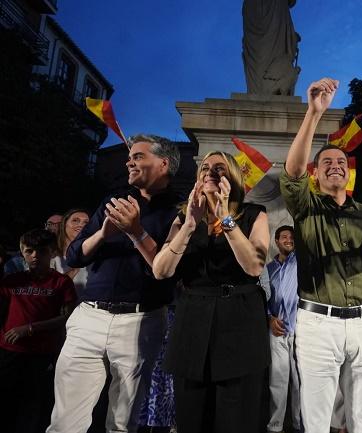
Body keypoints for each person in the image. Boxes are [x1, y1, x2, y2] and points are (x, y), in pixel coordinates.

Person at [47, 134, 181, 433]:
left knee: (123, 422)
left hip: (140, 321)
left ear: (163, 163)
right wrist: (102, 234)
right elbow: (73, 254)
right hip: (89, 317)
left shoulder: (180, 212)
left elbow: (167, 272)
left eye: (137, 156)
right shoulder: (113, 201)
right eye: (129, 156)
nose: (128, 161)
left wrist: (135, 231)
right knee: (65, 421)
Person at [280, 77, 362, 433]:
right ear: (316, 173)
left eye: (341, 162)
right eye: (326, 162)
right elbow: (293, 171)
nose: (335, 165)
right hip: (318, 323)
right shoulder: (304, 205)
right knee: (317, 417)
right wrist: (314, 113)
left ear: (348, 172)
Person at [152, 151, 270, 433]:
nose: (211, 172)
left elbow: (254, 266)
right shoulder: (184, 217)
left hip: (239, 322)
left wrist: (226, 218)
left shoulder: (254, 214)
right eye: (205, 167)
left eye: (220, 167)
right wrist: (189, 227)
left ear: (233, 177)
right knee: (192, 416)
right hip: (193, 323)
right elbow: (161, 270)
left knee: (236, 417)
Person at [0, 229, 76, 433]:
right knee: (7, 402)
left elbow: (68, 317)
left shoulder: (62, 282)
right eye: (29, 251)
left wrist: (31, 328)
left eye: (41, 251)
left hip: (42, 352)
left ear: (51, 252)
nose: (35, 256)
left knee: (35, 405)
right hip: (10, 350)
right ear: (22, 252)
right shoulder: (12, 280)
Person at [264, 225, 301, 433]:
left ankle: (299, 425)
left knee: (299, 383)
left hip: (299, 331)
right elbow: (263, 299)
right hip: (276, 332)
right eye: (284, 237)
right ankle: (275, 426)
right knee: (277, 382)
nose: (288, 240)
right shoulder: (268, 269)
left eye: (291, 237)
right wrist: (269, 318)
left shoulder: (300, 262)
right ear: (276, 242)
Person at [53, 209, 90, 295]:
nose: (81, 225)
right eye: (75, 220)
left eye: (86, 223)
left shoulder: (95, 257)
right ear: (64, 224)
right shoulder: (51, 257)